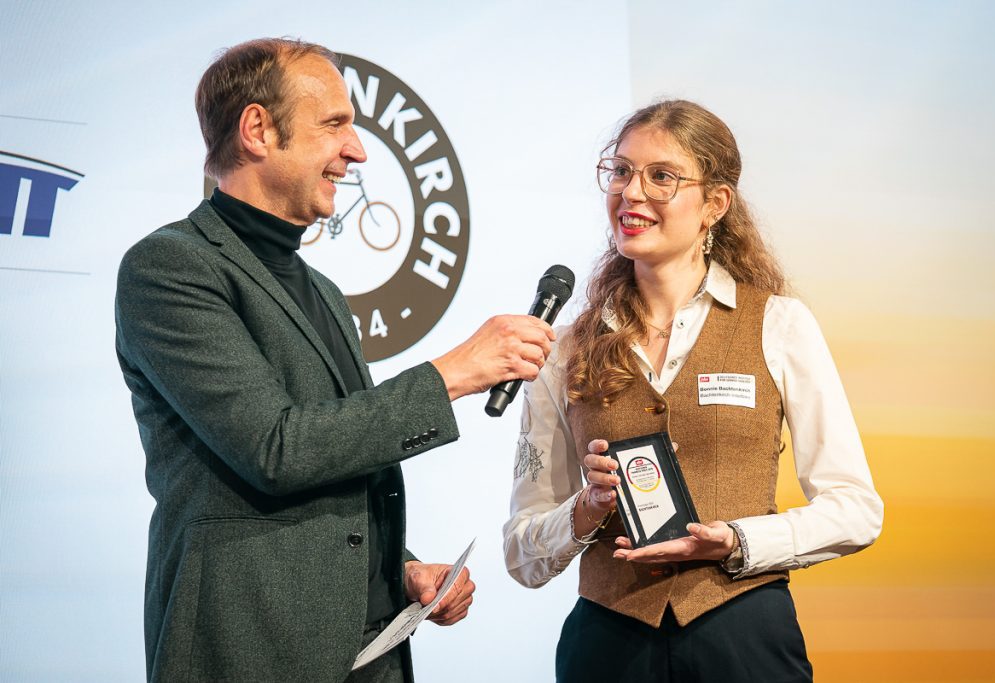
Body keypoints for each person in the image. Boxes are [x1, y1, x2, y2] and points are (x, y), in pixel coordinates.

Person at [115, 38, 554, 683]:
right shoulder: (171, 268)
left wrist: (395, 566)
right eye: (334, 126)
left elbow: (336, 456)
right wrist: (453, 372)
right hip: (250, 651)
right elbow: (275, 449)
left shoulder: (318, 287)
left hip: (371, 655)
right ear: (258, 129)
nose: (357, 150)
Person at [503, 100, 883, 682]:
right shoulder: (565, 347)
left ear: (715, 204)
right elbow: (522, 553)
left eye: (662, 176)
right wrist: (583, 511)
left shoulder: (778, 324)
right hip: (606, 645)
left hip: (744, 634)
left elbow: (856, 510)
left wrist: (736, 541)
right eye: (621, 171)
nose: (632, 192)